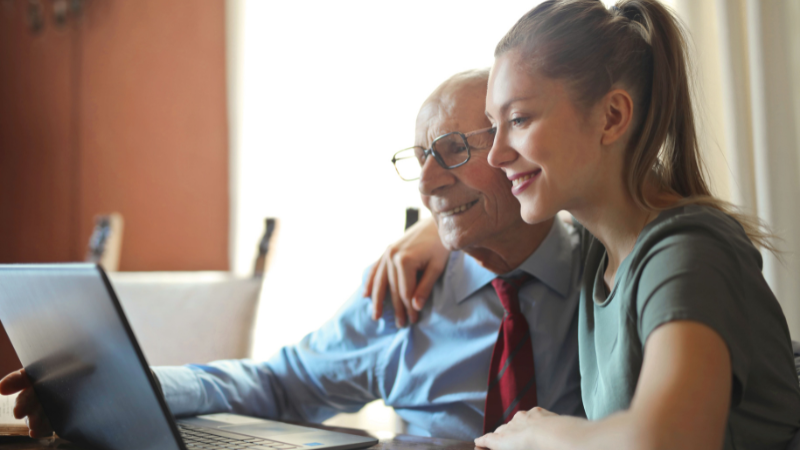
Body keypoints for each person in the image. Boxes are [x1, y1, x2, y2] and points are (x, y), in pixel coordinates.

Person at [0, 68, 586, 441]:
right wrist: (137, 386)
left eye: (453, 150)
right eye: (420, 157)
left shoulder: (611, 268)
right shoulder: (404, 290)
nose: (426, 184)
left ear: (519, 146)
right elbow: (281, 384)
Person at [369, 1, 800, 449]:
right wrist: (444, 230)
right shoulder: (604, 252)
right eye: (493, 127)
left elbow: (671, 440)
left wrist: (540, 432)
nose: (497, 154)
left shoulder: (688, 255)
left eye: (518, 120)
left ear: (611, 117)